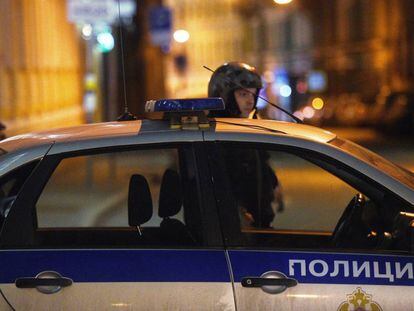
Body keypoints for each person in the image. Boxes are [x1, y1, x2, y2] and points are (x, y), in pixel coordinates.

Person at [207, 62, 284, 228]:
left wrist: (274, 184)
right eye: (243, 94)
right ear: (225, 96)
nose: (250, 100)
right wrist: (237, 211)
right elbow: (222, 184)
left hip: (258, 225)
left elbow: (259, 164)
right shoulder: (219, 137)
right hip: (237, 232)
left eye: (253, 94)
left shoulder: (247, 129)